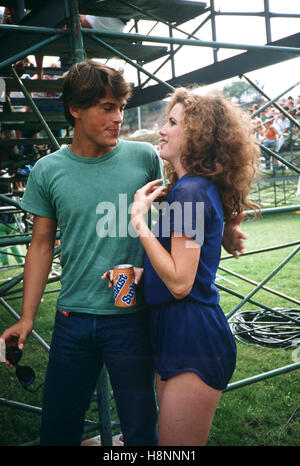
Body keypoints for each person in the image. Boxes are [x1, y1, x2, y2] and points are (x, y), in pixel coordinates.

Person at [1, 60, 247, 447]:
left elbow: (192, 201)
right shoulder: (47, 170)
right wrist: (28, 317)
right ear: (75, 110)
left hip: (135, 319)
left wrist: (225, 227)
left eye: (120, 107)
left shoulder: (144, 158)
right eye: (107, 107)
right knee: (58, 428)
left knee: (141, 432)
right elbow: (41, 245)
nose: (118, 117)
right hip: (73, 316)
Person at [129, 87, 260, 446]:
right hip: (173, 328)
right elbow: (177, 265)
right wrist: (145, 274)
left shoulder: (190, 191)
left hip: (191, 333)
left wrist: (139, 222)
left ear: (197, 135)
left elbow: (181, 283)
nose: (162, 130)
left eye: (172, 123)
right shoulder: (190, 188)